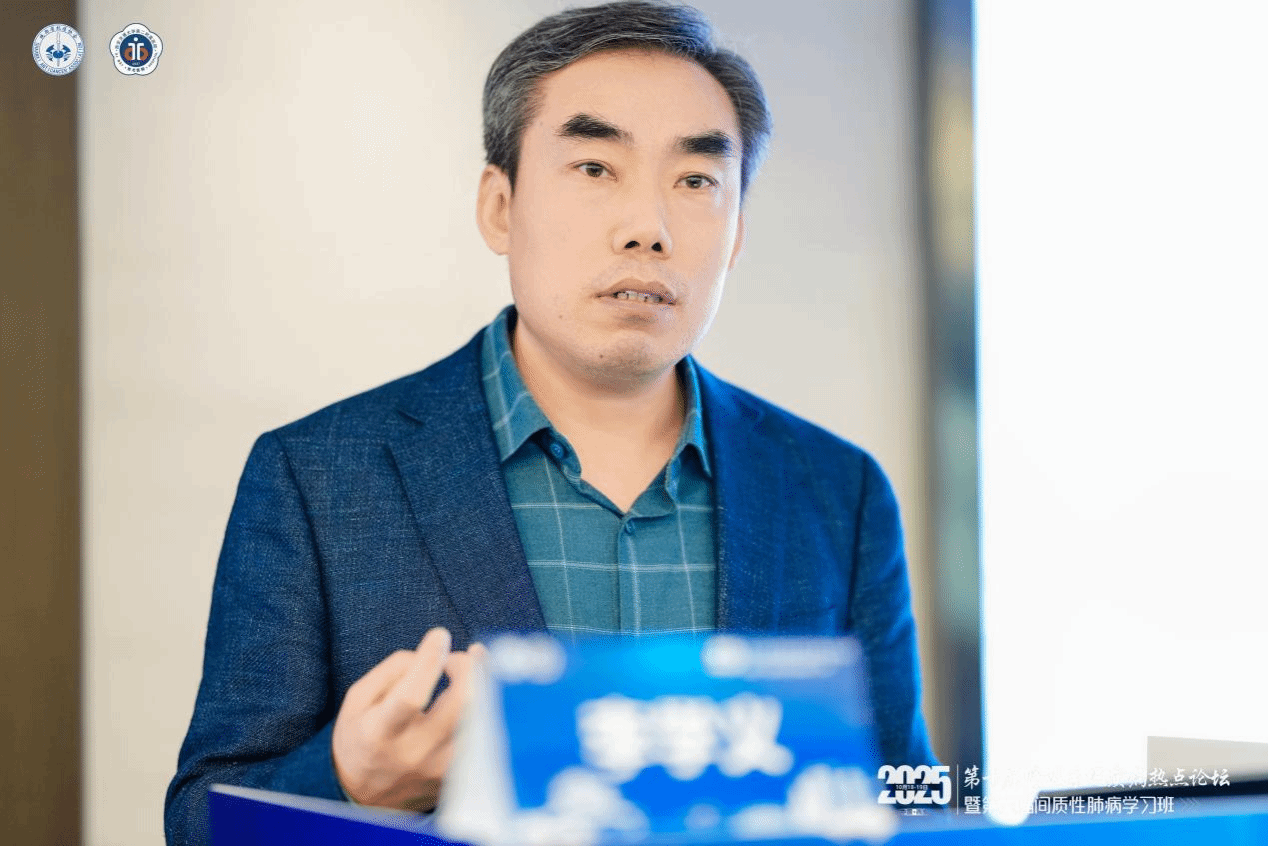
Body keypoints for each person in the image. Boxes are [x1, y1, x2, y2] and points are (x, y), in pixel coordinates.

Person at [164, 2, 937, 843]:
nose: (648, 229)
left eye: (696, 181)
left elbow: (908, 800)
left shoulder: (837, 492)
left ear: (738, 230)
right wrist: (349, 783)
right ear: (500, 206)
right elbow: (201, 818)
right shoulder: (320, 477)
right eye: (596, 167)